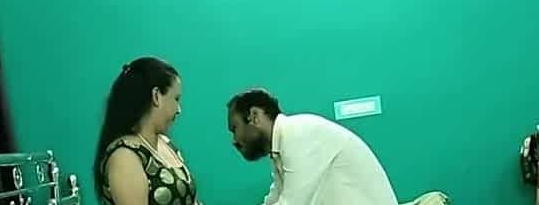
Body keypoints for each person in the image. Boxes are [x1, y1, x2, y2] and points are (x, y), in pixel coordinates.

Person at [226, 88, 399, 205]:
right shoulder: (283, 146)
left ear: (254, 116)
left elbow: (292, 202)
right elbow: (274, 198)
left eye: (235, 129)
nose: (234, 140)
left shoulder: (298, 133)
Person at [93, 57, 202, 205]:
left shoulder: (165, 143)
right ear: (156, 96)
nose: (178, 110)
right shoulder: (124, 157)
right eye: (176, 99)